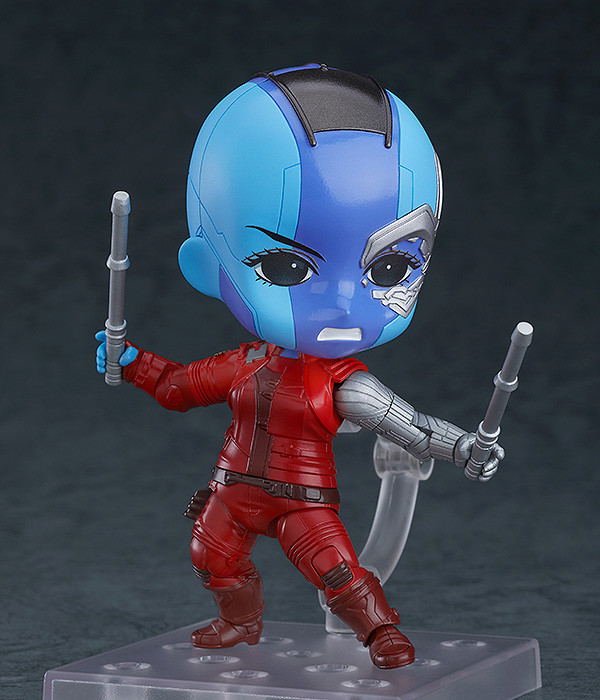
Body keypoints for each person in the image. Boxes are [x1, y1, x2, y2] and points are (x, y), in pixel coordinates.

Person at [96, 64, 503, 669]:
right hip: (233, 488)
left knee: (336, 570)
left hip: (302, 499)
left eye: (389, 268)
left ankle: (380, 632)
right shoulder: (244, 364)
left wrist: (462, 447)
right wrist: (132, 362)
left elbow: (410, 428)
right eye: (287, 268)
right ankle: (241, 623)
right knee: (211, 556)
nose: (340, 303)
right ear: (206, 267)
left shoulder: (344, 384)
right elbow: (178, 387)